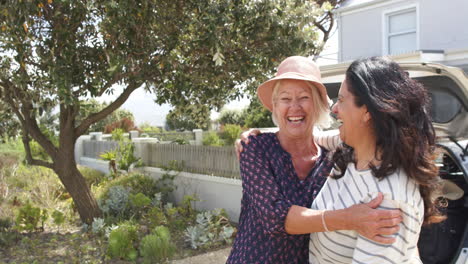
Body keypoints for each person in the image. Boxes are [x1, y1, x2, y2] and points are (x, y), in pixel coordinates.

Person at [227, 56, 402, 264]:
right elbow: (274, 217)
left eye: (303, 97)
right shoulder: (255, 148)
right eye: (285, 99)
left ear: (318, 104)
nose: (294, 107)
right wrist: (350, 218)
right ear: (274, 106)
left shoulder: (334, 159)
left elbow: (370, 135)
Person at [307, 57, 444, 263]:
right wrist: (258, 136)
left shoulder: (387, 199)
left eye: (342, 100)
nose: (334, 109)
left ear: (367, 113)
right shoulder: (351, 149)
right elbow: (312, 137)